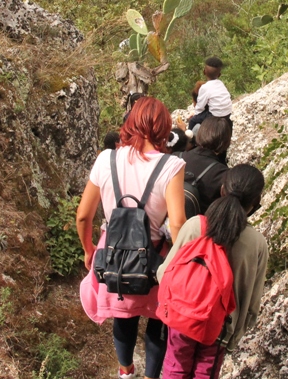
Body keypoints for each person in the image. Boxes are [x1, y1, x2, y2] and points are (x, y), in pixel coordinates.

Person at [76, 96, 186, 379]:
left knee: (123, 318)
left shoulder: (106, 159)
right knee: (158, 322)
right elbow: (176, 223)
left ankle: (126, 372)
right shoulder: (171, 166)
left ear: (131, 122)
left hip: (114, 254)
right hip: (154, 258)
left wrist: (89, 249)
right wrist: (181, 262)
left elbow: (83, 216)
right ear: (165, 128)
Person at [158, 164, 269, 379]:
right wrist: (236, 335)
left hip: (182, 316)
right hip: (221, 327)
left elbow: (164, 272)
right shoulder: (257, 244)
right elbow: (252, 306)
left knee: (176, 367)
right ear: (255, 203)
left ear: (222, 190)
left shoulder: (195, 226)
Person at [182, 117, 231, 213]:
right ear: (226, 142)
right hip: (199, 225)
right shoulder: (223, 174)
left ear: (200, 134)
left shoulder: (178, 157)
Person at [188, 57, 232, 132]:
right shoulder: (221, 84)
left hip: (215, 116)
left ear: (204, 72)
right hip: (227, 114)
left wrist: (196, 115)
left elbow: (200, 107)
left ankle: (189, 139)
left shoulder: (205, 87)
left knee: (192, 121)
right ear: (219, 75)